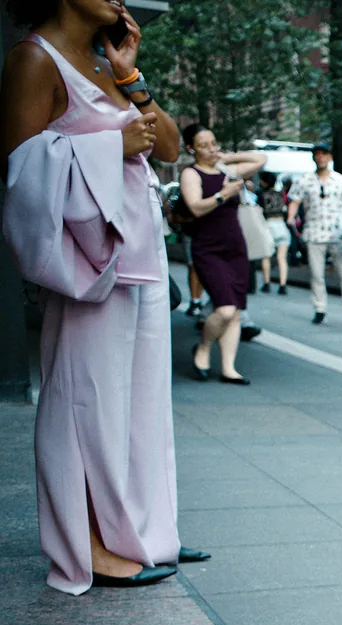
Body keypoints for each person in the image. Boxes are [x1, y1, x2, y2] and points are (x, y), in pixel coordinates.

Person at [1, 0, 211, 591]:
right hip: (90, 264)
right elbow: (17, 171)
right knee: (80, 405)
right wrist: (111, 148)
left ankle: (141, 530)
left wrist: (131, 78)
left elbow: (168, 146)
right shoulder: (32, 60)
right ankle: (84, 545)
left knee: (140, 409)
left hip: (140, 258)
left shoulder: (104, 62)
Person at [179, 125, 263, 384]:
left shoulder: (226, 170)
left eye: (214, 143)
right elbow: (195, 207)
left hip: (235, 247)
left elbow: (260, 159)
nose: (211, 149)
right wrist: (222, 195)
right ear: (191, 149)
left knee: (235, 310)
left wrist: (226, 158)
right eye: (204, 145)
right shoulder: (191, 174)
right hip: (208, 248)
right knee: (225, 309)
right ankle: (203, 347)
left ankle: (229, 368)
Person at [287, 140, 342, 326]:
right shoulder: (305, 180)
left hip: (337, 232)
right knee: (317, 274)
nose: (320, 157)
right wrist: (291, 217)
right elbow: (295, 200)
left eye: (324, 154)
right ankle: (320, 308)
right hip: (314, 232)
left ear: (330, 157)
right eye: (317, 154)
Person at [258, 170, 289, 294]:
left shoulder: (261, 194)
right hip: (281, 225)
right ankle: (283, 284)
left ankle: (267, 282)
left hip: (268, 225)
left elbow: (259, 211)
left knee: (266, 256)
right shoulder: (280, 194)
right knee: (282, 257)